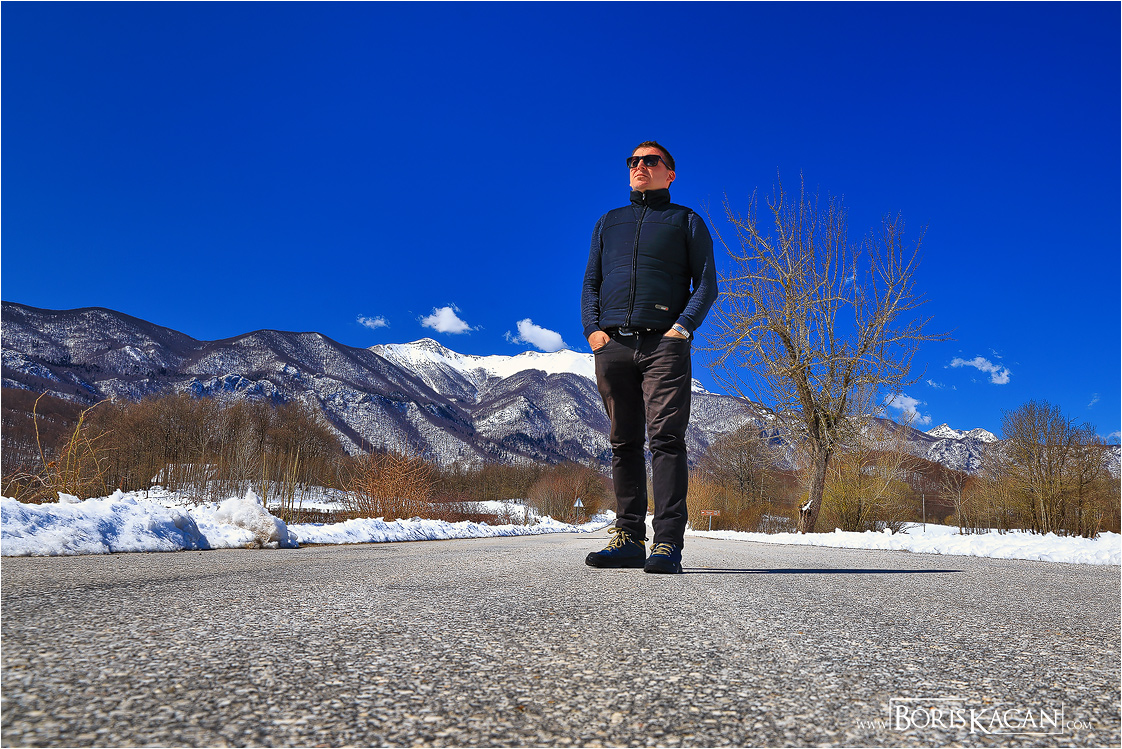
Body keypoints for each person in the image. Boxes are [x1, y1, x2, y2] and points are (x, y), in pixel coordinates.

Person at [581, 141, 717, 574]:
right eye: (633, 161)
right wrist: (594, 331)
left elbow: (707, 283)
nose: (640, 166)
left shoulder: (686, 220)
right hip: (613, 345)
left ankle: (667, 543)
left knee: (666, 440)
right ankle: (628, 540)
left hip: (664, 345)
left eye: (650, 160)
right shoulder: (608, 222)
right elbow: (591, 283)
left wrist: (681, 329)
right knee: (623, 442)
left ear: (669, 173)